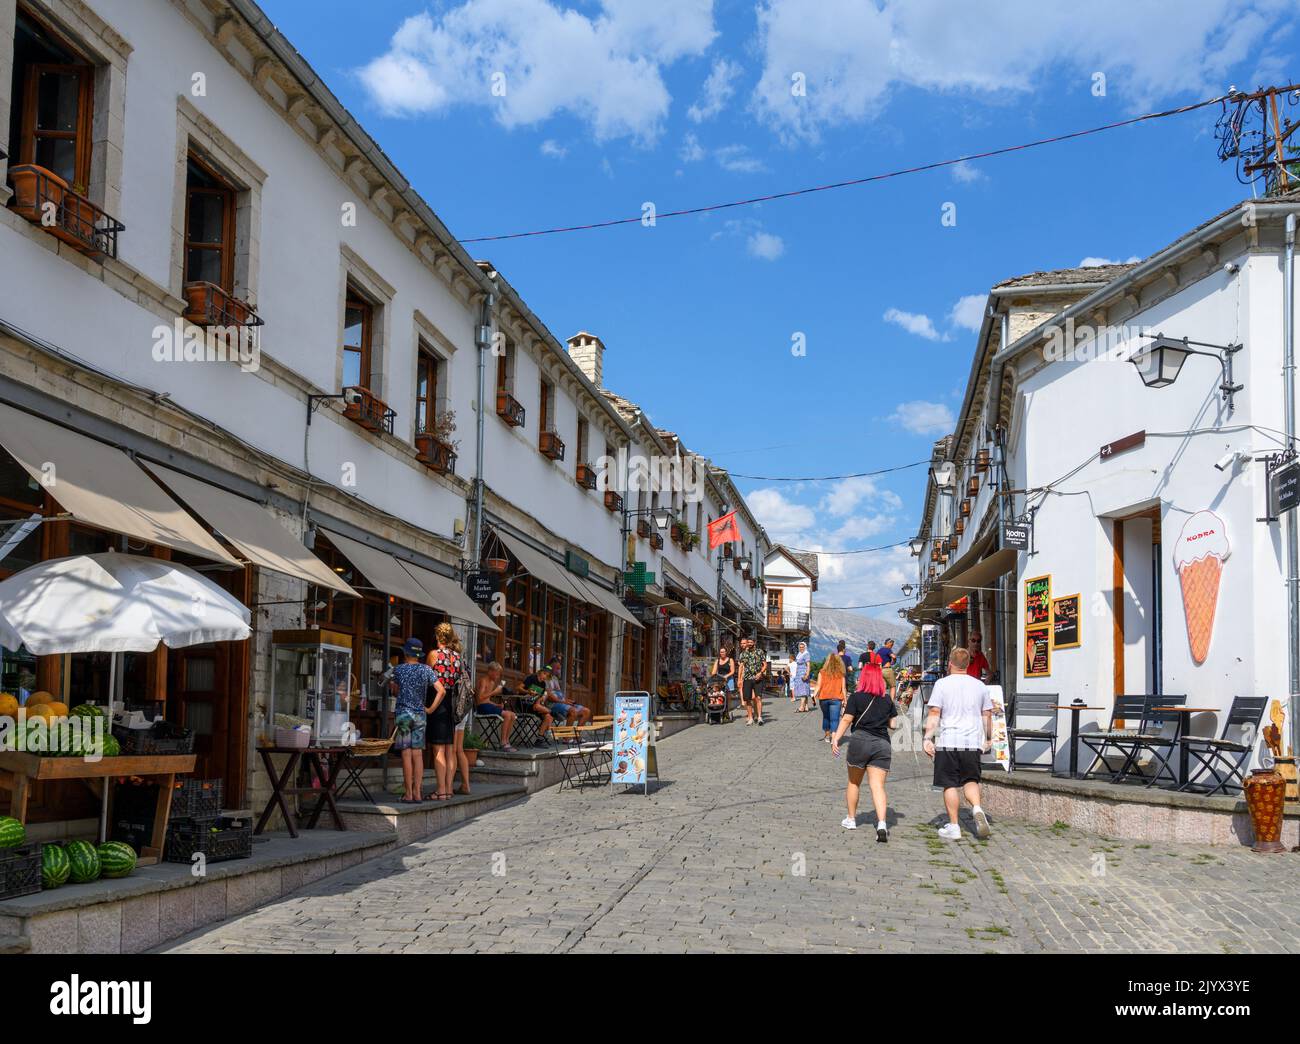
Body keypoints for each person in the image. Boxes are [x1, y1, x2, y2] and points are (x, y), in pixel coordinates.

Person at [922, 648, 993, 840]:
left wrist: (928, 738)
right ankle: (977, 809)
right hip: (972, 743)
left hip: (949, 741)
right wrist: (988, 738)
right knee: (971, 780)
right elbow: (986, 715)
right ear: (968, 664)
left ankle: (954, 826)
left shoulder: (942, 684)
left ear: (950, 664)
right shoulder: (979, 686)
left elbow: (935, 713)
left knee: (949, 784)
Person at [832, 660, 902, 841]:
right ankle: (882, 824)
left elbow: (847, 720)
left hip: (860, 741)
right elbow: (893, 724)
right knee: (878, 786)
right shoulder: (887, 699)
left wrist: (836, 738)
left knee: (854, 782)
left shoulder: (856, 697)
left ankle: (851, 819)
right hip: (882, 744)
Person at [385, 638, 441, 804]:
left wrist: (394, 687)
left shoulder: (399, 670)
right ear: (419, 654)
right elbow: (441, 691)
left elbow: (393, 690)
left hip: (403, 714)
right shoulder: (426, 670)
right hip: (419, 715)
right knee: (418, 754)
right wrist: (430, 709)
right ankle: (417, 792)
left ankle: (408, 793)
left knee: (406, 754)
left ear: (405, 653)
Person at [427, 623, 462, 801]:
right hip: (451, 704)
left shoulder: (434, 655)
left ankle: (440, 791)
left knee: (438, 750)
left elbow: (427, 678)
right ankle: (448, 789)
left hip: (437, 703)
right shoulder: (457, 657)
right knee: (449, 750)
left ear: (437, 637)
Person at [473, 660, 517, 758]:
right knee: (507, 714)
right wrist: (494, 692)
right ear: (490, 671)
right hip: (481, 707)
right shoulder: (483, 680)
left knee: (512, 715)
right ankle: (502, 743)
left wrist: (496, 705)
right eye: (497, 674)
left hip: (487, 705)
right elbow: (480, 698)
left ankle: (506, 741)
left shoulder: (492, 682)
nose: (497, 676)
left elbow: (487, 699)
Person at [545, 655, 591, 725]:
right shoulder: (545, 678)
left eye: (559, 668)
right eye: (556, 668)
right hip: (552, 705)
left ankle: (576, 735)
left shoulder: (555, 678)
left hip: (561, 702)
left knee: (586, 711)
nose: (558, 671)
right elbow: (549, 696)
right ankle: (566, 736)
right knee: (573, 711)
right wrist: (564, 701)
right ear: (550, 667)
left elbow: (560, 694)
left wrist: (567, 700)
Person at [812, 651, 846, 742]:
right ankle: (834, 738)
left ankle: (827, 736)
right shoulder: (841, 673)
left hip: (824, 698)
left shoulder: (822, 672)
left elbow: (818, 685)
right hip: (836, 699)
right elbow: (843, 688)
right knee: (835, 719)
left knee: (826, 717)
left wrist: (814, 696)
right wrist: (845, 700)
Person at [737, 635, 768, 726]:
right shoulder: (743, 654)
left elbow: (765, 664)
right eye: (748, 642)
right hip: (747, 679)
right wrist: (739, 679)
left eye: (751, 642)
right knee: (747, 699)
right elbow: (741, 667)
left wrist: (760, 673)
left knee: (758, 697)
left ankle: (759, 717)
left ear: (754, 642)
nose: (749, 644)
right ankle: (750, 718)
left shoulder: (760, 652)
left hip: (758, 678)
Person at [792, 642, 811, 712]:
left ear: (805, 647)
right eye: (800, 647)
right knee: (804, 690)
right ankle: (806, 707)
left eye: (802, 647)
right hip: (799, 674)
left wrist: (807, 674)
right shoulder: (799, 654)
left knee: (802, 690)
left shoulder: (806, 654)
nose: (801, 648)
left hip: (803, 673)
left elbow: (808, 665)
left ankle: (801, 707)